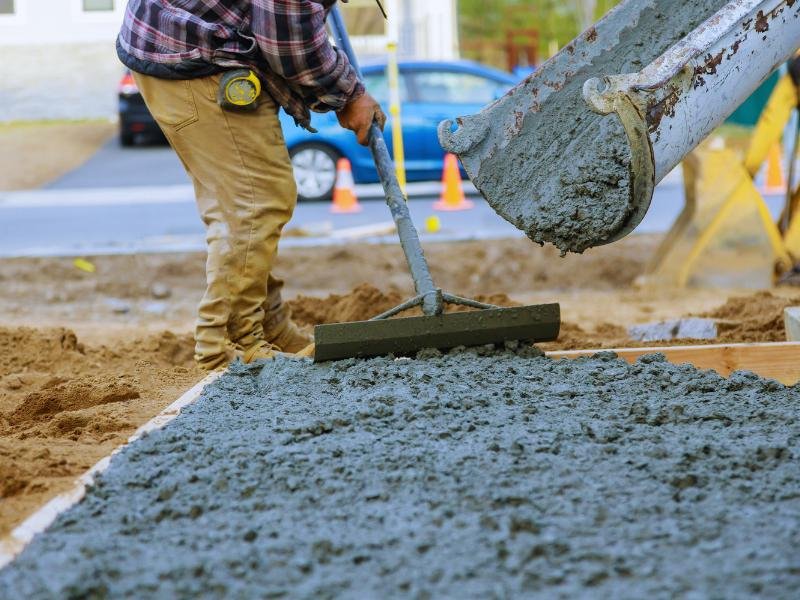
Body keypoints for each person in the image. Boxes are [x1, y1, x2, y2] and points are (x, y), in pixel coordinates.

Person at [117, 0, 386, 369]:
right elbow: (287, 40)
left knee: (244, 204)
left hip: (182, 41)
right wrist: (348, 93)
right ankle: (231, 344)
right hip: (194, 53)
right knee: (255, 204)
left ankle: (266, 325)